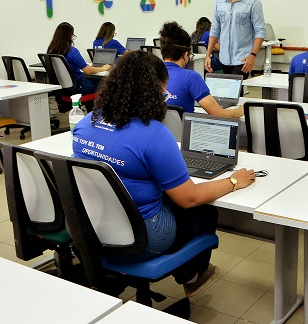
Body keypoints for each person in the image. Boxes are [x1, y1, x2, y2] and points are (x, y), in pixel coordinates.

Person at [72, 50, 255, 297]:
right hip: (143, 237)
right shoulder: (153, 134)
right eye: (163, 91)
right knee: (204, 212)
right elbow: (189, 198)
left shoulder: (85, 124)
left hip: (92, 228)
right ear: (151, 91)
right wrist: (233, 181)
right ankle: (191, 276)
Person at [160, 21, 244, 117]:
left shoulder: (152, 73)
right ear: (186, 54)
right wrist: (241, 109)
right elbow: (220, 114)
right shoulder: (191, 77)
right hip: (183, 127)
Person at [206, 0, 266, 78]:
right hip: (224, 58)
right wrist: (208, 55)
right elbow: (215, 30)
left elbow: (260, 31)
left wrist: (253, 55)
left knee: (234, 87)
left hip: (243, 59)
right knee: (227, 88)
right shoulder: (219, 3)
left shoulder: (253, 3)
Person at [47, 22, 110, 95]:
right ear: (69, 36)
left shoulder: (51, 51)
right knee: (104, 83)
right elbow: (88, 71)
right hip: (78, 86)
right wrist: (103, 68)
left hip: (61, 87)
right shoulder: (72, 51)